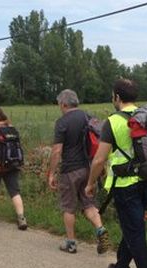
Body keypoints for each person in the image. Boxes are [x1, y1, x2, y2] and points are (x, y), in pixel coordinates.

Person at [85, 79, 147, 268]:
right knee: (133, 228)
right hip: (146, 183)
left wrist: (90, 183)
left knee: (135, 234)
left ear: (117, 98)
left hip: (125, 186)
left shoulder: (113, 122)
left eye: (113, 96)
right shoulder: (146, 118)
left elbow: (100, 158)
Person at [48, 89, 109, 254]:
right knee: (88, 203)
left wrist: (52, 173)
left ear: (64, 104)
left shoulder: (62, 122)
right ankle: (100, 229)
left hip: (69, 170)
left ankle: (71, 242)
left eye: (60, 104)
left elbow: (56, 151)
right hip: (88, 169)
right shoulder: (88, 117)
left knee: (68, 207)